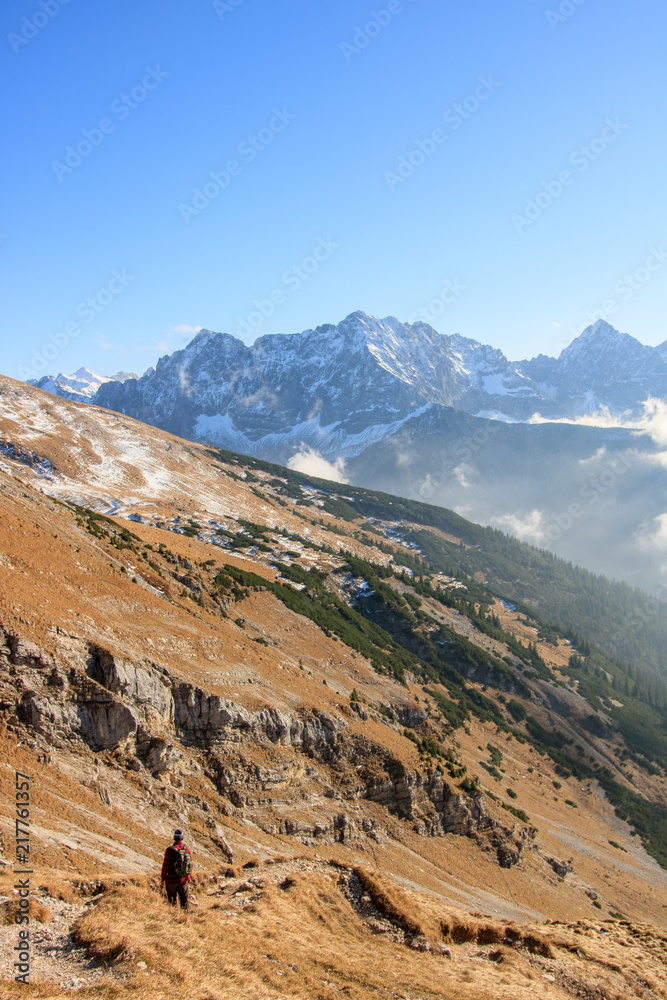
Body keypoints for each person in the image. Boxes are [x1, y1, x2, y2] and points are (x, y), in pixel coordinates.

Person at [160, 828, 192, 909]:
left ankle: (174, 917)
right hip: (183, 879)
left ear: (174, 838)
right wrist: (188, 877)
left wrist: (163, 879)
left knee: (172, 901)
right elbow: (189, 864)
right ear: (182, 838)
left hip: (171, 880)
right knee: (184, 901)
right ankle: (186, 918)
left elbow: (165, 865)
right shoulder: (186, 850)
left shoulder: (170, 850)